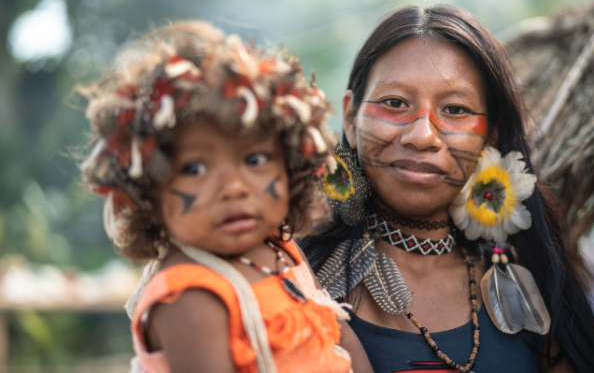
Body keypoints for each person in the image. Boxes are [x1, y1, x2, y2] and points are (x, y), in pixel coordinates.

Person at [301, 5, 594, 373]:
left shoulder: (529, 278)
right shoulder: (296, 276)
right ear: (350, 118)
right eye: (394, 103)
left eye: (455, 109)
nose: (422, 136)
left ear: (492, 134)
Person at [78, 21, 373, 373]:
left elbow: (337, 336)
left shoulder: (279, 248)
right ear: (148, 190)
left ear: (291, 168)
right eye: (194, 169)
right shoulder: (191, 295)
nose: (233, 187)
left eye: (255, 160)